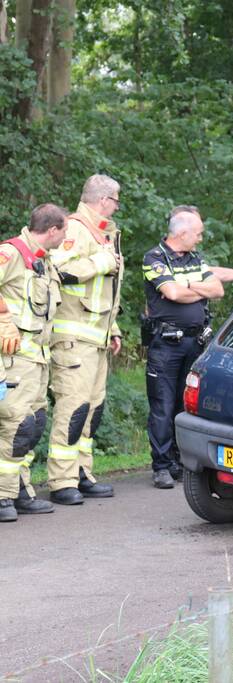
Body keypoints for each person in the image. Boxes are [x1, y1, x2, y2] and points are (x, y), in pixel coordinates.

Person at [47, 174, 123, 505]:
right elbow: (57, 269)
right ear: (104, 199)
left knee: (92, 410)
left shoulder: (105, 231)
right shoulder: (75, 228)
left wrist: (114, 328)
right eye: (116, 200)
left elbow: (105, 289)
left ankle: (81, 472)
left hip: (97, 338)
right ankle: (61, 480)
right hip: (73, 336)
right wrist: (101, 262)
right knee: (73, 408)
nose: (118, 206)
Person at [142, 210, 225, 488]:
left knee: (184, 405)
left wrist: (186, 284)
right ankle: (162, 465)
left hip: (195, 342)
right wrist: (190, 288)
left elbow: (217, 290)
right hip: (166, 345)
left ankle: (179, 459)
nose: (200, 238)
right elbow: (172, 294)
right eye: (198, 233)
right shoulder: (154, 258)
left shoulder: (195, 259)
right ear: (182, 233)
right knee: (162, 406)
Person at [0, 204, 67, 521]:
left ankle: (20, 490)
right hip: (15, 360)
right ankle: (2, 495)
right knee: (16, 425)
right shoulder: (12, 253)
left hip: (38, 359)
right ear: (52, 230)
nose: (66, 237)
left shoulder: (44, 262)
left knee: (34, 424)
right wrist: (2, 321)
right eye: (64, 231)